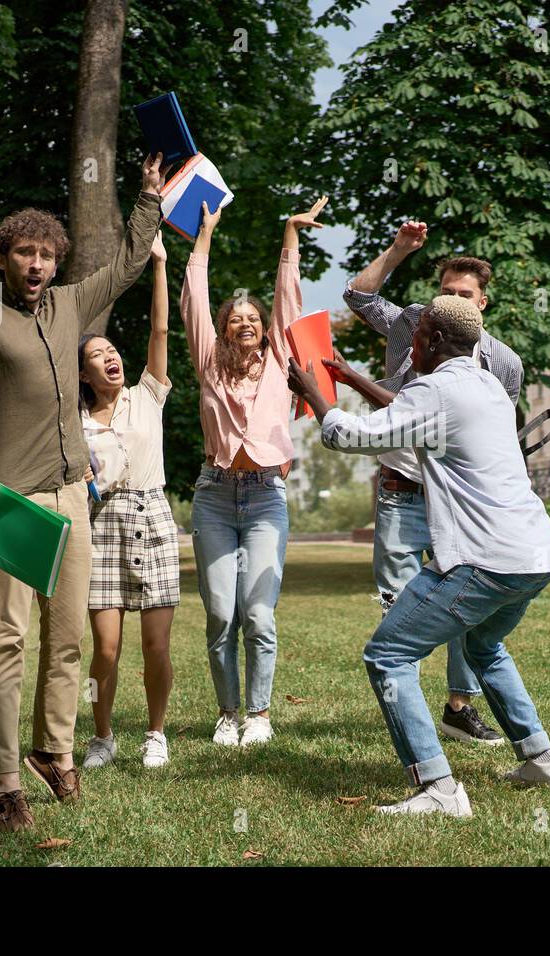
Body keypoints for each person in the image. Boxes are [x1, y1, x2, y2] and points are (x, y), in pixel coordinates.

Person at [0, 154, 166, 831]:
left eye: (45, 254)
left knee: (67, 640)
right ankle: (3, 778)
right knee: (6, 640)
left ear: (56, 261)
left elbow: (124, 264)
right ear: (1, 258)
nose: (36, 264)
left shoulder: (70, 304)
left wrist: (148, 196)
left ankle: (52, 751)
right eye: (23, 253)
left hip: (72, 494)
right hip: (11, 498)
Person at [288, 295, 550, 817]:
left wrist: (318, 398)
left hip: (481, 559)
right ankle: (541, 758)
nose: (409, 346)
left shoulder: (436, 388)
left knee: (388, 655)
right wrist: (350, 382)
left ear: (435, 340)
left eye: (415, 336)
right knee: (485, 646)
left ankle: (438, 788)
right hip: (535, 554)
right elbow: (409, 416)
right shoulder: (487, 383)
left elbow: (354, 436)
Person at [343, 220, 522, 746]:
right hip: (403, 487)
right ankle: (408, 707)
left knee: (468, 600)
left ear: (483, 303)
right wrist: (399, 249)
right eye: (444, 292)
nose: (450, 303)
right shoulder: (411, 325)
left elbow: (495, 438)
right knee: (400, 606)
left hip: (461, 501)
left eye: (463, 295)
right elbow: (357, 295)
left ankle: (457, 708)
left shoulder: (503, 362)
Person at [181, 195, 328, 746]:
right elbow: (194, 300)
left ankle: (259, 716)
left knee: (259, 615)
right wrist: (204, 235)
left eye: (252, 319)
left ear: (264, 329)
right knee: (221, 612)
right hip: (215, 496)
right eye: (233, 319)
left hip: (266, 497)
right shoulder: (208, 365)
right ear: (222, 331)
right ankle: (227, 712)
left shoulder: (280, 364)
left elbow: (288, 302)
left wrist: (290, 235)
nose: (244, 323)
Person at [78, 231, 179, 771]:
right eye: (97, 356)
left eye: (112, 350)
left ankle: (156, 733)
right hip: (104, 526)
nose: (110, 358)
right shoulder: (74, 423)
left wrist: (158, 263)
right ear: (82, 374)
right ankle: (102, 737)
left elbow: (161, 328)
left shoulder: (148, 396)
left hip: (154, 516)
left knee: (156, 647)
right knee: (107, 650)